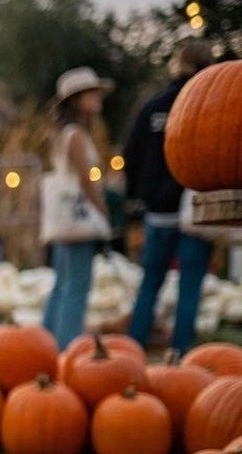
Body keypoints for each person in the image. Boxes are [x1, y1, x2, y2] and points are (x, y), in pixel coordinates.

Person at [123, 40, 216, 354]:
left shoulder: (152, 108)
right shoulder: (209, 107)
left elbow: (131, 155)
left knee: (151, 282)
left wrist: (137, 198)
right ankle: (180, 354)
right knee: (189, 286)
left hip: (157, 212)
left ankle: (134, 348)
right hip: (196, 210)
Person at [42, 67, 113, 349]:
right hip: (78, 218)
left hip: (62, 218)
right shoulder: (76, 136)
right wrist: (102, 210)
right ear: (76, 99)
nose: (98, 97)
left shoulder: (59, 134)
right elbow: (85, 179)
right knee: (77, 287)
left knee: (62, 282)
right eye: (92, 92)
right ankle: (66, 349)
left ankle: (45, 343)